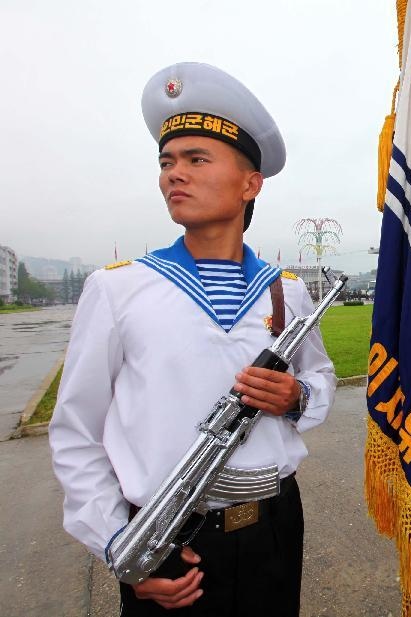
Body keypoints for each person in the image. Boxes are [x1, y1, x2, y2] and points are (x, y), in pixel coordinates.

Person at [49, 62, 337, 616]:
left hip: (274, 528)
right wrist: (120, 547)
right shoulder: (119, 289)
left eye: (196, 160)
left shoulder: (287, 293)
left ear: (251, 183)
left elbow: (320, 378)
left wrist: (296, 397)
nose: (172, 175)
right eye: (167, 161)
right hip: (168, 541)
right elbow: (77, 433)